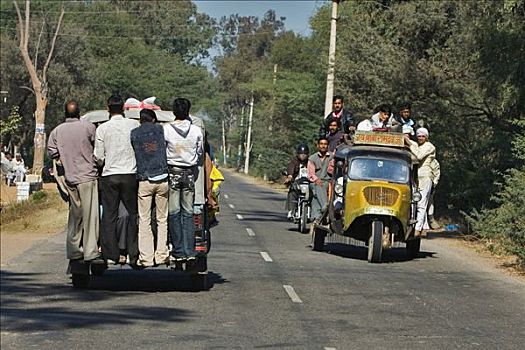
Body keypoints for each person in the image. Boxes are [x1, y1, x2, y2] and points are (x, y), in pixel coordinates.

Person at [47, 100, 102, 264]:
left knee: (75, 214)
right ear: (79, 113)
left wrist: (64, 159)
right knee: (90, 215)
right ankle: (91, 251)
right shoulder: (88, 127)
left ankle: (74, 250)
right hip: (87, 176)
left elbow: (52, 152)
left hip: (70, 178)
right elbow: (97, 148)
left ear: (65, 113)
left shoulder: (57, 131)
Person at [94, 94, 140, 265]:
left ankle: (110, 253)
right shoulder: (134, 125)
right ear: (123, 109)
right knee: (133, 214)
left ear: (108, 109)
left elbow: (98, 157)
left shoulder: (102, 129)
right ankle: (133, 252)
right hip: (130, 175)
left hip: (110, 175)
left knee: (109, 215)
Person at [164, 98, 203, 262]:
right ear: (188, 111)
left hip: (172, 172)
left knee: (173, 212)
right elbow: (199, 152)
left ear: (174, 112)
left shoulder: (166, 129)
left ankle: (178, 250)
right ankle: (190, 250)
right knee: (188, 212)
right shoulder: (196, 131)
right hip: (189, 174)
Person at [130, 108, 170, 267]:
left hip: (144, 181)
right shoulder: (161, 129)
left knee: (144, 220)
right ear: (153, 119)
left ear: (141, 120)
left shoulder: (134, 133)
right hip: (162, 179)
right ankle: (161, 254)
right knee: (162, 219)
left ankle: (146, 257)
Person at [404, 127, 436, 236]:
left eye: (423, 136)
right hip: (416, 177)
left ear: (426, 137)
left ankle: (418, 229)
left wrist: (409, 143)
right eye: (419, 136)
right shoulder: (418, 145)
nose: (421, 138)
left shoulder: (429, 147)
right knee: (414, 202)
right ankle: (414, 226)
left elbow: (419, 155)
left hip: (426, 177)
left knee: (422, 204)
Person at [308, 137, 332, 221]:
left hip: (327, 181)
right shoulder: (312, 158)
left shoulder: (332, 157)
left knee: (316, 196)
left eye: (325, 144)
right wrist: (316, 180)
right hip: (314, 182)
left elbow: (332, 170)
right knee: (317, 187)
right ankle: (325, 206)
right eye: (321, 144)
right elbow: (311, 174)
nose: (323, 146)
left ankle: (316, 216)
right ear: (318, 146)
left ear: (328, 146)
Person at [284, 144, 310, 219]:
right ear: (298, 154)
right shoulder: (294, 161)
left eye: (304, 154)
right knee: (292, 191)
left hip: (308, 182)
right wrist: (289, 176)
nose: (303, 156)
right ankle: (291, 210)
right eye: (301, 154)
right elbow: (290, 168)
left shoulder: (310, 161)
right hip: (296, 182)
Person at [428, 158, 441, 229]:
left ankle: (431, 220)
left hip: (429, 184)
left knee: (430, 202)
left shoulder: (433, 161)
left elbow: (437, 173)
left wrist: (434, 184)